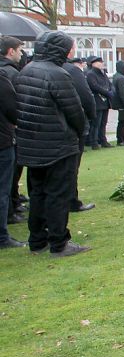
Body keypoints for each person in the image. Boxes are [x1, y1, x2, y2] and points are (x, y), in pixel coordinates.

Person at [15, 31, 89, 256]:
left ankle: (37, 239)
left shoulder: (25, 71)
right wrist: (80, 131)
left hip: (32, 144)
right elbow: (74, 110)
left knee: (38, 193)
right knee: (58, 194)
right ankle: (59, 242)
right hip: (57, 144)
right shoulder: (58, 74)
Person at [62, 56, 97, 213]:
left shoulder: (28, 70)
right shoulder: (71, 71)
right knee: (71, 167)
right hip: (70, 128)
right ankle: (71, 201)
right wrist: (88, 117)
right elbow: (85, 96)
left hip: (41, 132)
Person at [0, 36, 25, 248]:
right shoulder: (6, 75)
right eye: (19, 50)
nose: (22, 54)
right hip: (3, 139)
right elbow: (13, 109)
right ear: (10, 51)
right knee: (3, 186)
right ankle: (2, 235)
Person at [84, 56, 113, 149]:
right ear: (93, 64)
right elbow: (94, 86)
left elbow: (109, 84)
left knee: (103, 122)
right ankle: (94, 142)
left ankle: (103, 140)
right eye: (99, 62)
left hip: (105, 101)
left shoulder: (103, 73)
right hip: (97, 101)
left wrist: (111, 91)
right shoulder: (90, 74)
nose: (101, 64)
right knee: (96, 123)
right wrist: (107, 92)